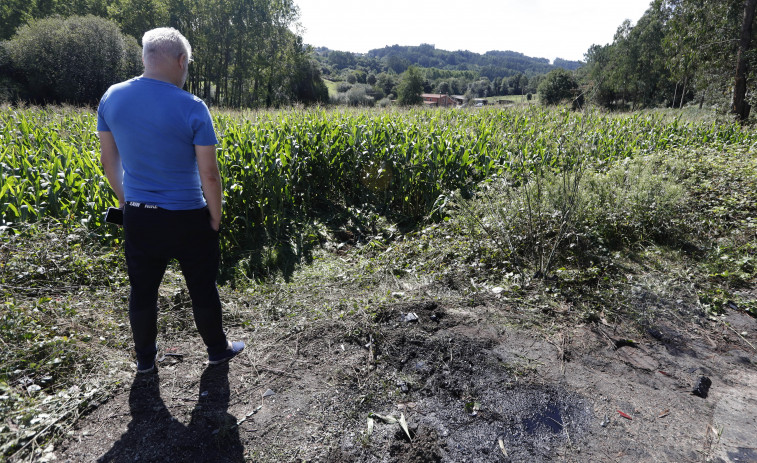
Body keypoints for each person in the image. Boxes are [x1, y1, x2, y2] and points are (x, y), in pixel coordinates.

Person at [97, 27, 244, 374]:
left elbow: (108, 161)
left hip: (139, 215)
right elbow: (210, 174)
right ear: (181, 61)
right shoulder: (192, 106)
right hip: (188, 216)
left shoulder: (111, 97)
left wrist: (128, 201)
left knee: (142, 291)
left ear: (146, 57)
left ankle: (146, 361)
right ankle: (217, 350)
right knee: (201, 286)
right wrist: (216, 217)